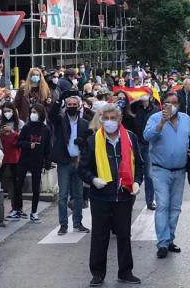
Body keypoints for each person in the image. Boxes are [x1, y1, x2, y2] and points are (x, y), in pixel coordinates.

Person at [79, 103, 143, 286]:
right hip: (101, 197)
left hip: (123, 195)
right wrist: (93, 180)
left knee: (124, 235)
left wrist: (137, 181)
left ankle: (126, 272)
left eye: (113, 118)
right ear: (101, 120)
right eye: (105, 118)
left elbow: (139, 164)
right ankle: (97, 274)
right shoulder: (93, 141)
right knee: (100, 236)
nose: (109, 122)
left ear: (120, 119)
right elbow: (82, 169)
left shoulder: (130, 138)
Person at [143, 92, 190, 257]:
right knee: (163, 205)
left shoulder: (186, 119)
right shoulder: (155, 118)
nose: (172, 106)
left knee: (175, 207)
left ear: (179, 105)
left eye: (175, 103)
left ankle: (170, 239)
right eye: (168, 103)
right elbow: (147, 136)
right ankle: (162, 243)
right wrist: (161, 123)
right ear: (162, 104)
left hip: (180, 170)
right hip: (160, 170)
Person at [50, 92, 90, 235]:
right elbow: (51, 115)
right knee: (63, 195)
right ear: (65, 106)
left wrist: (83, 145)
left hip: (78, 162)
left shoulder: (84, 123)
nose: (72, 107)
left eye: (74, 105)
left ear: (79, 106)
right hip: (64, 163)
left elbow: (88, 142)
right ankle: (63, 225)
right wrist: (58, 100)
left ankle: (78, 223)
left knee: (78, 195)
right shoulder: (60, 121)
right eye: (69, 105)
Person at [17, 104, 51, 223]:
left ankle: (34, 211)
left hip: (37, 161)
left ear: (41, 114)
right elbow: (19, 142)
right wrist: (28, 145)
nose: (33, 114)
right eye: (32, 112)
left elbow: (48, 148)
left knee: (36, 188)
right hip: (24, 159)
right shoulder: (26, 128)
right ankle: (18, 209)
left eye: (36, 112)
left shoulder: (45, 130)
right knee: (18, 184)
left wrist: (47, 163)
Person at [131, 91, 160, 210]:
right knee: (133, 173)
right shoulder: (134, 108)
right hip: (135, 143)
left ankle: (149, 201)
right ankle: (130, 201)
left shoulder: (156, 110)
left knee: (149, 174)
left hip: (148, 144)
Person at [0, 102, 25, 220]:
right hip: (4, 157)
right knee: (4, 182)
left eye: (9, 111)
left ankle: (18, 208)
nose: (7, 113)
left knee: (17, 184)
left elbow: (23, 139)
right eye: (4, 111)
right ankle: (10, 207)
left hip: (17, 157)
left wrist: (12, 132)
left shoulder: (20, 124)